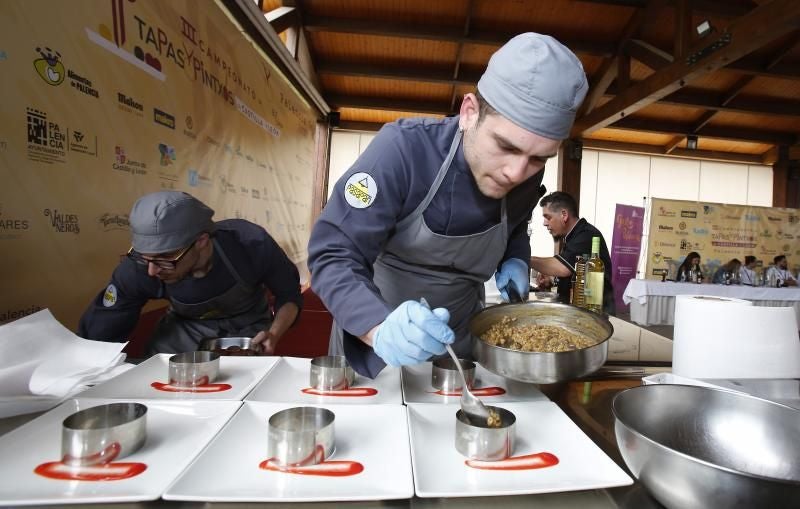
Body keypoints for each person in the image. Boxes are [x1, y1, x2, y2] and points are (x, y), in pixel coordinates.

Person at [307, 33, 588, 378]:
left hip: (460, 348)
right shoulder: (402, 151)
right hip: (378, 338)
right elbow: (333, 252)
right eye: (506, 147)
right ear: (469, 112)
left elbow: (514, 225)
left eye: (538, 158)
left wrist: (515, 255)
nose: (516, 173)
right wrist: (377, 327)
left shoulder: (526, 172)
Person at [78, 191, 302, 354]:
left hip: (247, 327)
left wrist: (274, 333)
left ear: (202, 241)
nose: (153, 269)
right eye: (145, 258)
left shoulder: (250, 244)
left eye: (166, 258)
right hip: (183, 328)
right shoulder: (139, 267)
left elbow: (289, 294)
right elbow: (102, 331)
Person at [529, 192, 615, 315]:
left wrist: (522, 258)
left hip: (595, 313)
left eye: (548, 217)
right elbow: (574, 270)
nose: (545, 223)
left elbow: (563, 268)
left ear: (564, 215)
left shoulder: (586, 235)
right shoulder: (572, 237)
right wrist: (552, 279)